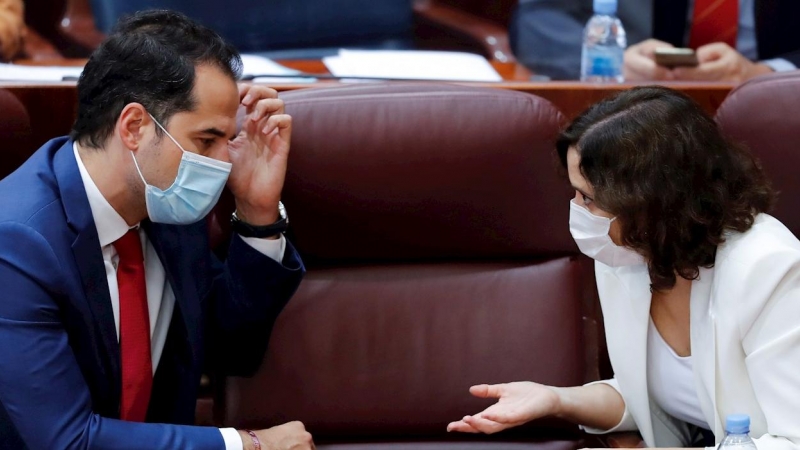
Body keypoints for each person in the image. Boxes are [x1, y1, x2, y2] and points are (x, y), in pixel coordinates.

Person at [0, 9, 313, 450]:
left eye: (228, 139)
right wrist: (247, 446)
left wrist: (257, 211)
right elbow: (66, 440)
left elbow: (233, 350)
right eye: (207, 140)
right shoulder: (17, 240)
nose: (224, 162)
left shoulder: (164, 207)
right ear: (134, 127)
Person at [447, 86, 800, 448]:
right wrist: (555, 400)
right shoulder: (627, 252)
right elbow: (652, 398)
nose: (577, 210)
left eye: (589, 198)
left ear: (655, 202)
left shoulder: (768, 268)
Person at [511, 0, 800, 82]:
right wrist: (614, 62)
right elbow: (536, 21)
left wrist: (765, 74)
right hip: (628, 110)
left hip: (775, 111)